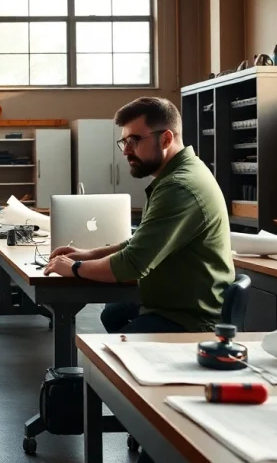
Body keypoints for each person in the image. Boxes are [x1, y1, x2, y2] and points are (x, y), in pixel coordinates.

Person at [44, 97, 234, 334]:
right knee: (112, 313)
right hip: (176, 301)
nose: (126, 151)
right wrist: (90, 254)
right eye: (124, 142)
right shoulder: (179, 174)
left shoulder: (179, 187)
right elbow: (141, 242)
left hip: (188, 317)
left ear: (166, 139)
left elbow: (132, 263)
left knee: (109, 341)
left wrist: (75, 268)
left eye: (134, 140)